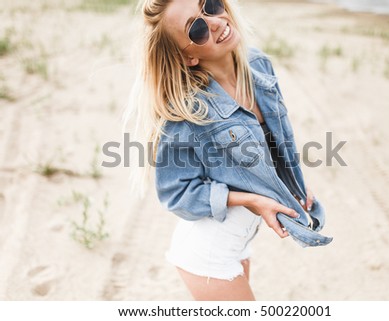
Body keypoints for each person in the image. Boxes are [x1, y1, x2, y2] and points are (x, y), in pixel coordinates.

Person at [124, 0, 331, 301]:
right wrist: (251, 201)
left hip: (239, 243)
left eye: (210, 5)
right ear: (189, 57)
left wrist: (289, 182)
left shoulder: (259, 65)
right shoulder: (187, 112)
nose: (215, 21)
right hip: (208, 254)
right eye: (196, 29)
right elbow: (175, 193)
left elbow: (273, 144)